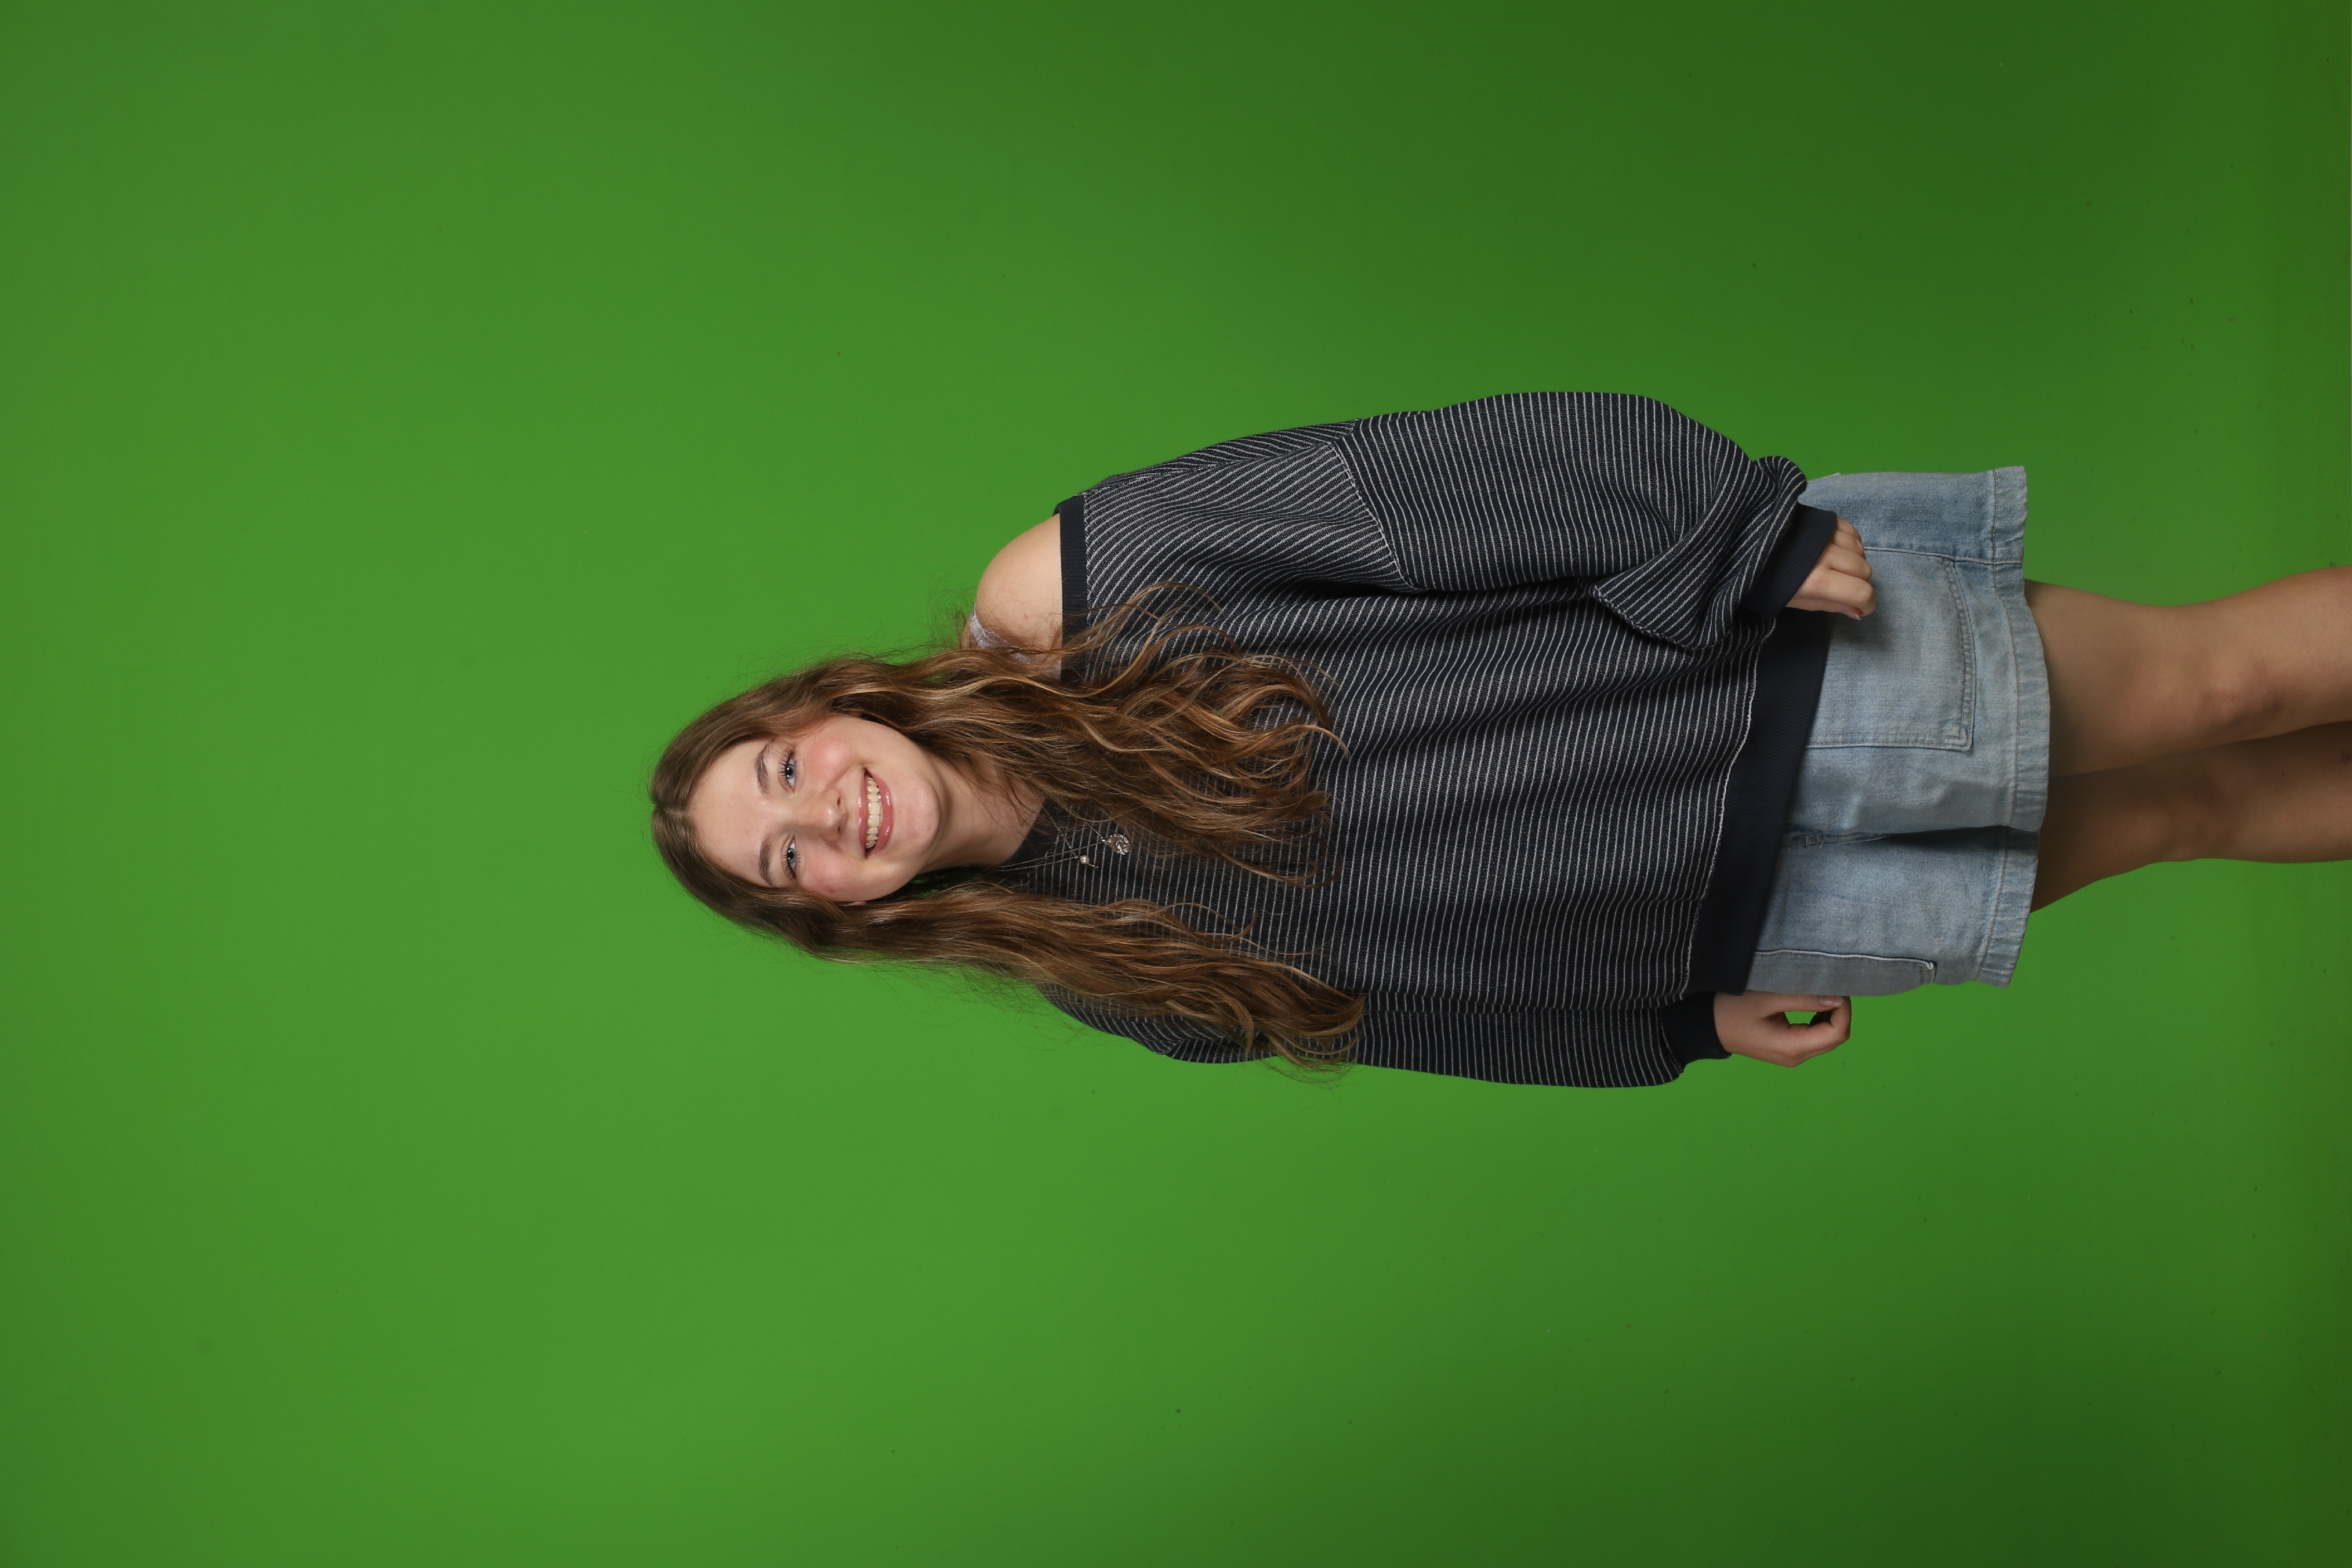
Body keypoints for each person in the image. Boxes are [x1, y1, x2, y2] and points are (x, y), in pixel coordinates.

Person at [649, 393, 2352, 1087]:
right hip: (1756, 918)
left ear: (827, 708)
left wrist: (1724, 538)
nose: (827, 817)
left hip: (1755, 676)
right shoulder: (1104, 975)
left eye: (783, 772)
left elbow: (1412, 488)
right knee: (2184, 816)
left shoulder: (1062, 595)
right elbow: (1403, 1019)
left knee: (2212, 690)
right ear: (845, 914)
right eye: (786, 862)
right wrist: (1670, 1027)